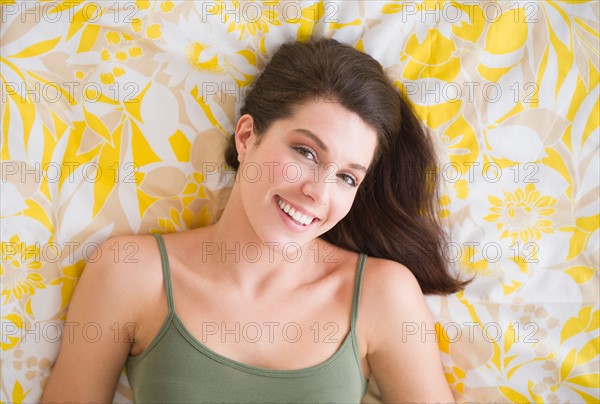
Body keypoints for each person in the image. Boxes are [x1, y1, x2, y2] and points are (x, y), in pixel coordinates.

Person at [41, 38, 467, 403]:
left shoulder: (382, 294)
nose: (318, 192)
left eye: (346, 177)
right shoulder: (130, 272)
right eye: (305, 152)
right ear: (247, 137)